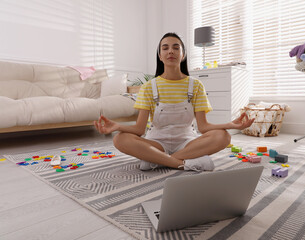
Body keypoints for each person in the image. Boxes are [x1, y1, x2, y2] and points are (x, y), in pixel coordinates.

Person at [94, 32, 254, 172]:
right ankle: (181, 164)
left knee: (224, 137)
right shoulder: (149, 87)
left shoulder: (196, 85)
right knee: (119, 139)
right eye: (165, 48)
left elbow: (204, 127)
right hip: (156, 142)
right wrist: (117, 126)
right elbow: (139, 129)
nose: (171, 51)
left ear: (183, 54)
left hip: (186, 142)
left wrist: (231, 125)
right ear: (160, 55)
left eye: (176, 47)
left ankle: (157, 160)